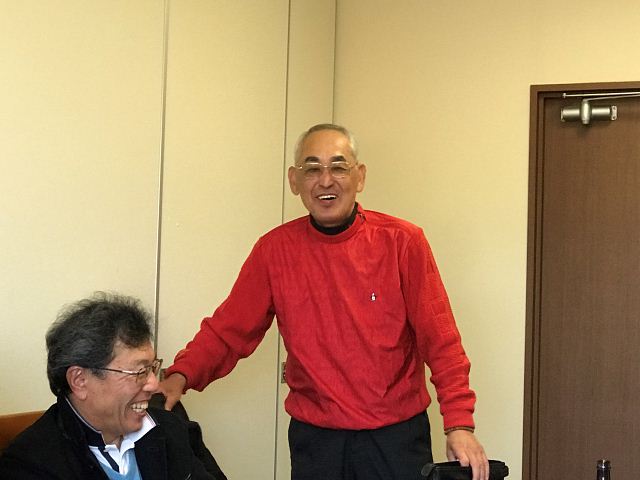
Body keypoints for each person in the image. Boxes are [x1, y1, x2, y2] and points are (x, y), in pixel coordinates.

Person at [160, 124, 489, 480]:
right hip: (317, 443)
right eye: (312, 169)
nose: (326, 180)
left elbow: (441, 341)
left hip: (396, 439)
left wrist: (459, 424)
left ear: (360, 177)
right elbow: (228, 330)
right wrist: (181, 375)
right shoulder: (274, 251)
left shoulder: (403, 242)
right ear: (294, 180)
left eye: (339, 167)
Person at [0, 292, 226, 480]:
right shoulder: (29, 465)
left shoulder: (171, 429)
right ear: (79, 381)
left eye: (152, 368)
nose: (154, 383)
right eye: (139, 371)